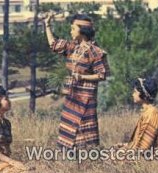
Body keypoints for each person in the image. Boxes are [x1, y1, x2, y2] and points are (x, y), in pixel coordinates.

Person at [45, 14, 110, 149]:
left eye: (73, 28)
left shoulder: (95, 51)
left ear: (82, 30)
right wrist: (47, 25)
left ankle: (89, 162)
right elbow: (53, 44)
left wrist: (82, 77)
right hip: (72, 97)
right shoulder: (72, 47)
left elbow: (102, 74)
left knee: (86, 132)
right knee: (68, 133)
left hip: (86, 99)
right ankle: (71, 163)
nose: (71, 31)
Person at [116, 78, 158, 152]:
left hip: (154, 159)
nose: (132, 94)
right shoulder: (147, 112)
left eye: (135, 92)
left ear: (143, 93)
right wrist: (126, 145)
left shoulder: (152, 114)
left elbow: (142, 148)